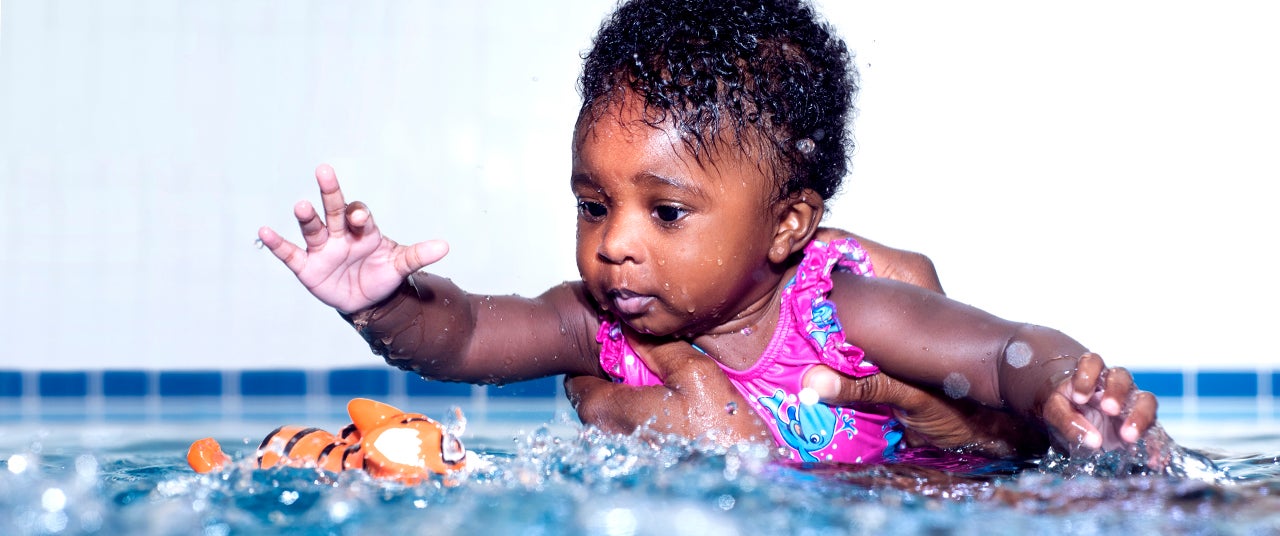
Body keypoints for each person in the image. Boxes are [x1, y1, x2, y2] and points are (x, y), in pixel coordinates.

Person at [257, 0, 1157, 464]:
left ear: (786, 225)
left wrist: (1064, 398)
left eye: (668, 212)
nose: (616, 244)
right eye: (593, 203)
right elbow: (463, 338)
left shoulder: (841, 314)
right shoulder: (598, 323)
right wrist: (380, 302)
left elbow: (1000, 353)